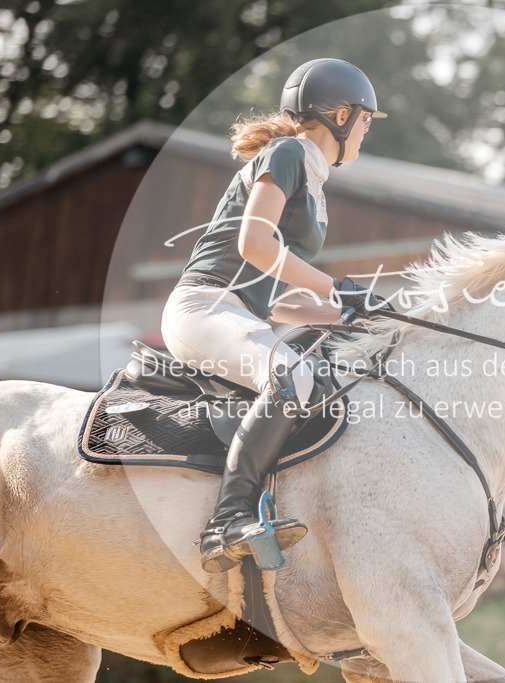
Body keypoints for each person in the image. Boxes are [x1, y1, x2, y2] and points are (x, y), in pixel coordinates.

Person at [160, 58, 388, 573]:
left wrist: (348, 311)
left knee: (314, 376)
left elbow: (272, 299)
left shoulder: (312, 177)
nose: (366, 131)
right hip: (203, 305)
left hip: (236, 308)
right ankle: (227, 520)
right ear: (341, 116)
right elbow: (254, 244)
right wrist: (338, 288)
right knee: (292, 374)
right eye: (366, 121)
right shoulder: (287, 153)